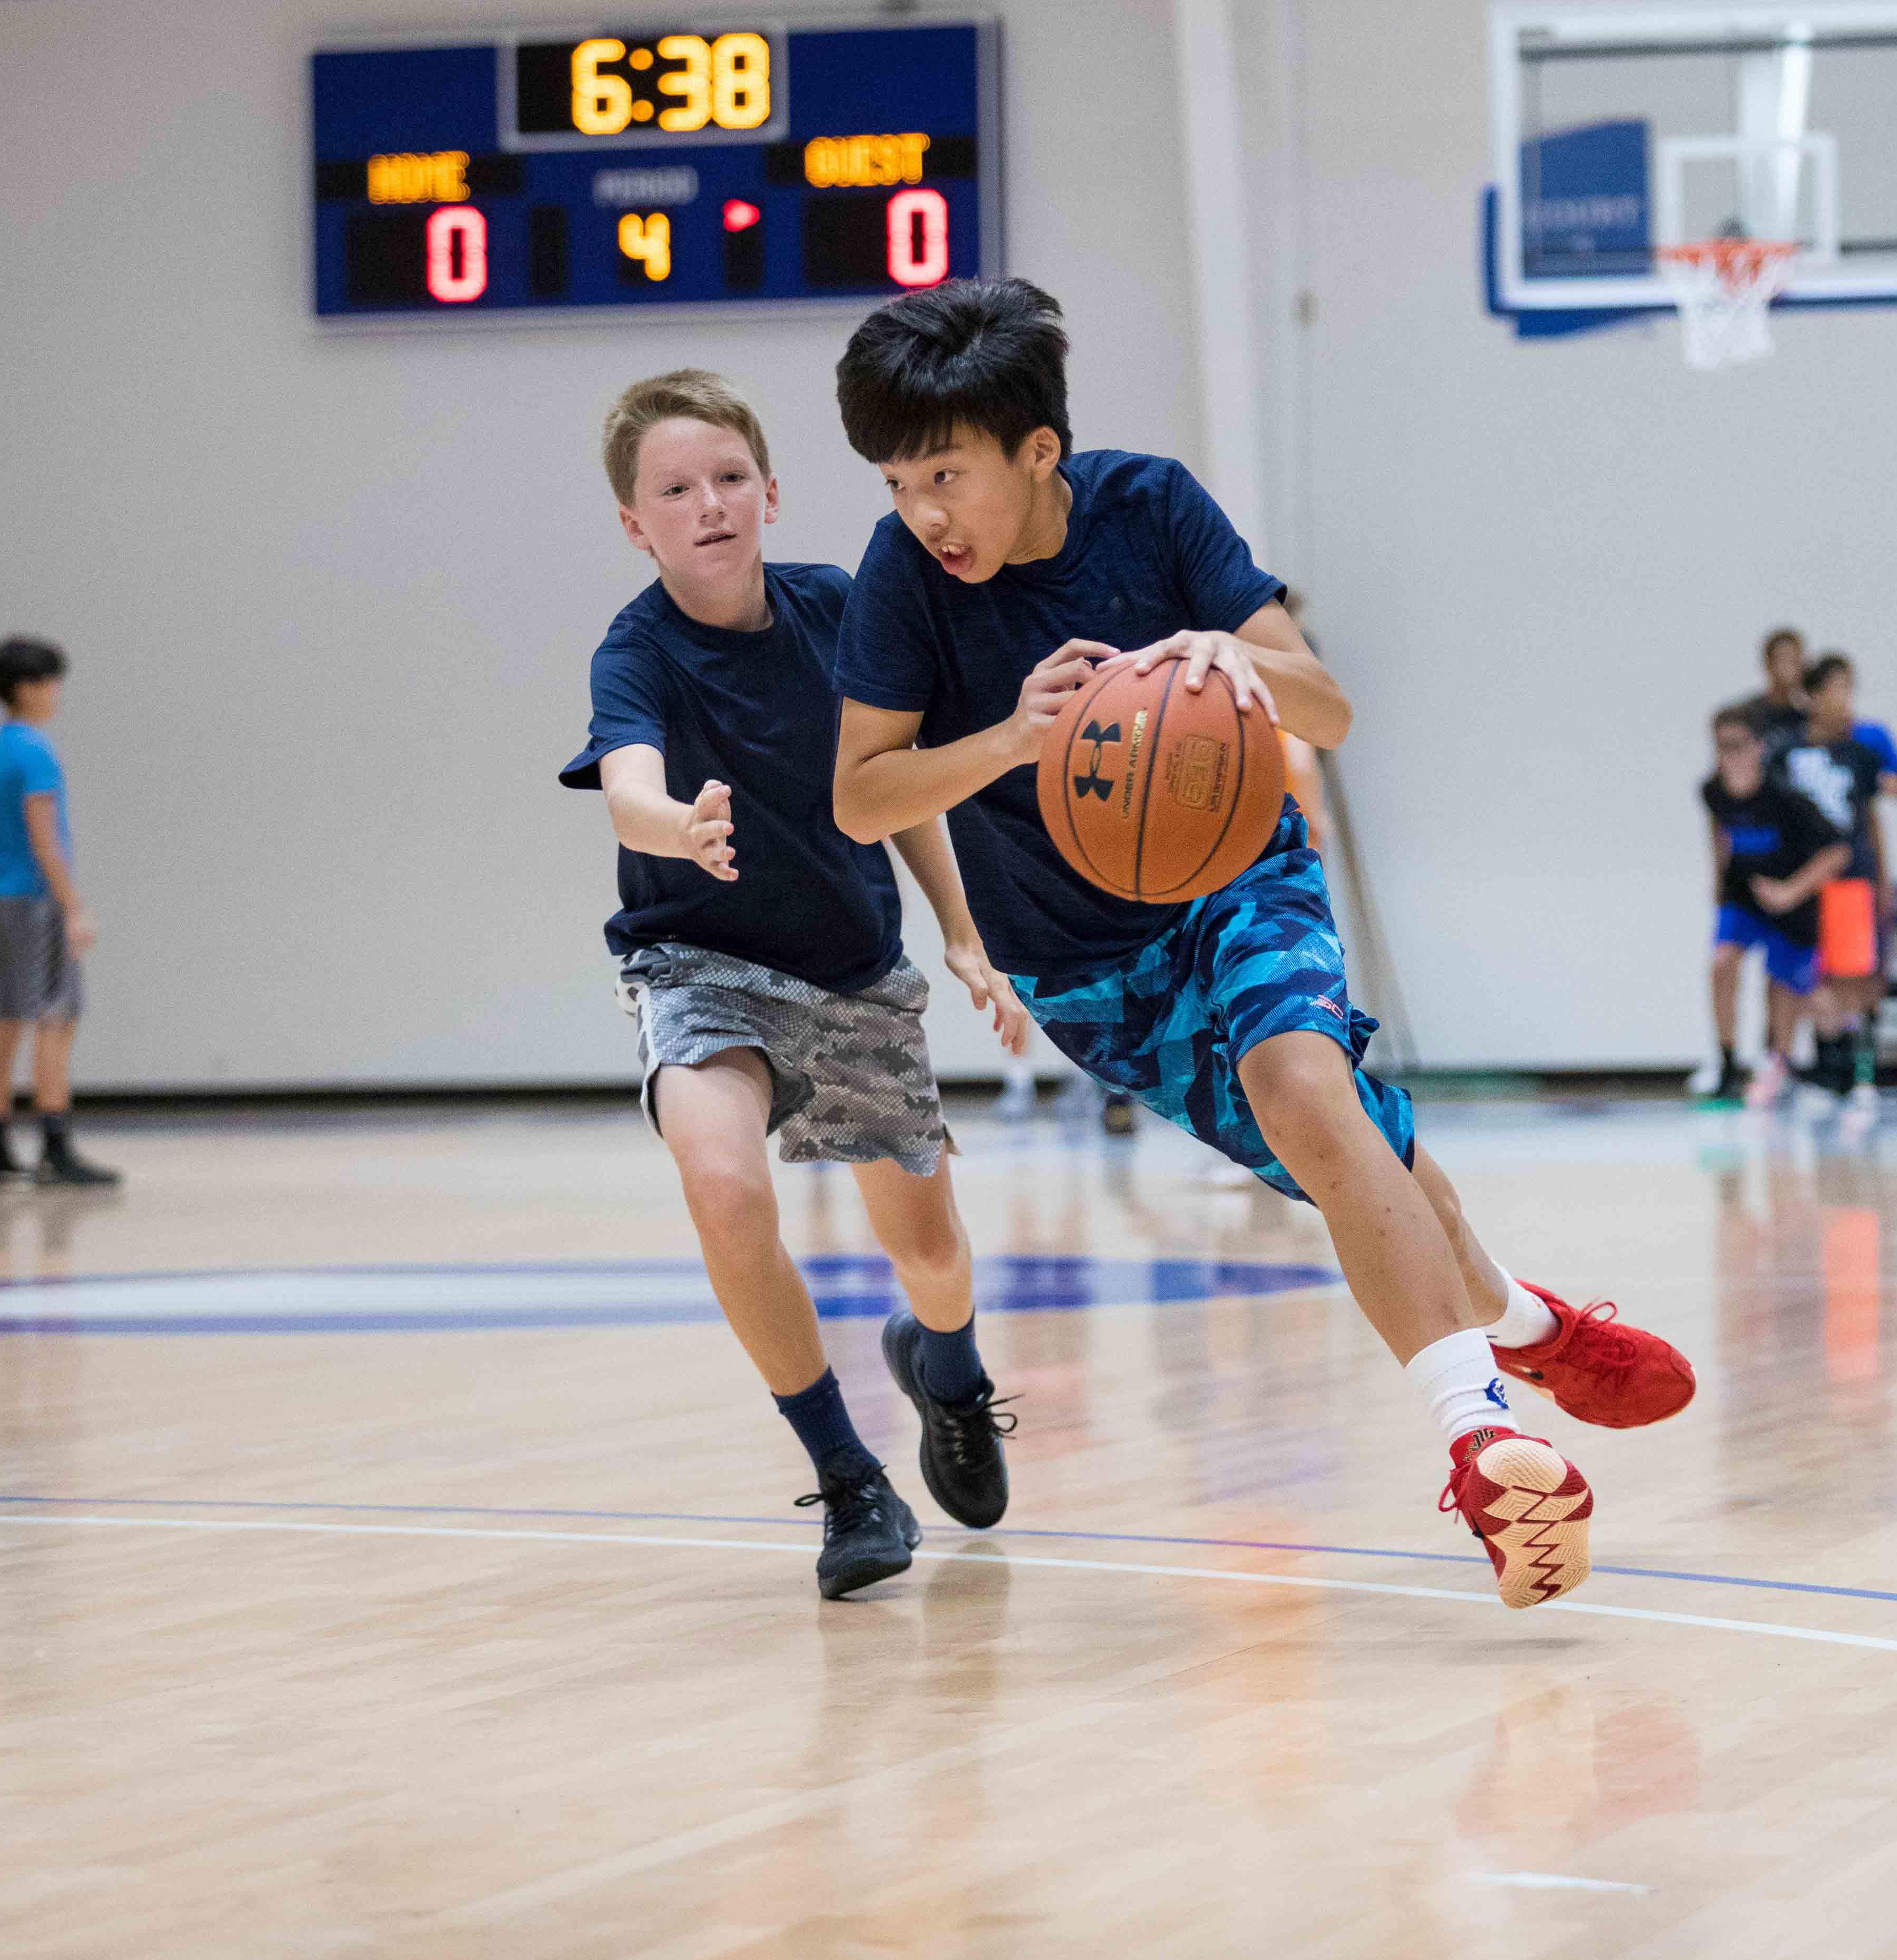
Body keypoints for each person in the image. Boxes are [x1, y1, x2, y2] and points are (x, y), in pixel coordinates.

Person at [829, 278, 1695, 1614]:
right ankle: (1529, 1326)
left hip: (1239, 877)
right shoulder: (906, 583)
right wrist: (1009, 737)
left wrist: (1221, 662)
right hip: (1083, 969)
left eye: (944, 472)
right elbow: (861, 795)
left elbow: (1328, 710)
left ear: (1037, 451)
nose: (921, 512)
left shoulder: (1155, 509)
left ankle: (1477, 1444)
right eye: (895, 483)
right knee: (1365, 1162)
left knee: (1310, 1097)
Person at [561, 369, 1026, 1601]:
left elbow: (900, 783)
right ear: (635, 523)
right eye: (674, 489)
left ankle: (952, 1374)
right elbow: (626, 784)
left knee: (929, 1257)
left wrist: (964, 933)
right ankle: (848, 1477)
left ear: (768, 492)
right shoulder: (637, 650)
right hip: (696, 961)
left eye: (726, 479)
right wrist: (680, 830)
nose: (705, 504)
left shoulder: (836, 610)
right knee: (719, 1179)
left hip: (855, 971)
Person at [0, 638, 119, 1189]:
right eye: (50, 682)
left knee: (7, 1020)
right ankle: (55, 1145)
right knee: (57, 1020)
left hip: (0, 898)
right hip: (36, 902)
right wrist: (73, 906)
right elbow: (45, 839)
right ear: (27, 687)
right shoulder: (35, 752)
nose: (56, 693)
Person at [1701, 706, 1851, 1107]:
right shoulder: (1713, 790)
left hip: (1791, 902)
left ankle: (1789, 1065)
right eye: (1721, 746)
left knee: (1790, 988)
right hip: (1745, 897)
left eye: (1738, 745)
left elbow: (1836, 852)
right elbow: (1718, 832)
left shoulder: (1786, 798)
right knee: (1722, 964)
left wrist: (1790, 891)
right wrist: (1719, 879)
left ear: (1759, 748)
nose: (1729, 755)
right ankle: (1729, 1063)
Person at [1777, 654, 1888, 1100]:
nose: (1847, 700)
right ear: (1813, 696)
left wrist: (1884, 879)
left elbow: (1871, 820)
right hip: (1805, 879)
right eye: (1839, 689)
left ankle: (1859, 1071)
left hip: (1852, 878)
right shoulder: (1784, 754)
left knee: (1852, 978)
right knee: (1805, 976)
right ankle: (1818, 1066)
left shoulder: (1859, 754)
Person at [1736, 627, 1810, 751]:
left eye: (1795, 661)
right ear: (1768, 664)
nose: (1789, 669)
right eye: (1783, 660)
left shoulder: (1808, 717)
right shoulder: (1747, 715)